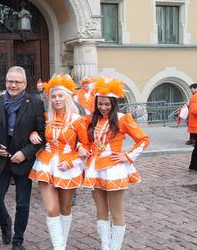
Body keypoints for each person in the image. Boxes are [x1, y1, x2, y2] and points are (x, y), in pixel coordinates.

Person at [74, 77, 150, 250]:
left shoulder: (123, 119)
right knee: (101, 210)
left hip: (114, 168)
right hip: (94, 168)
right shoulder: (90, 120)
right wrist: (80, 146)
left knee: (116, 212)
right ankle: (105, 246)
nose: (103, 107)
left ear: (114, 103)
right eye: (100, 104)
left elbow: (144, 140)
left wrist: (128, 156)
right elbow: (77, 136)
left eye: (107, 104)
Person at [0, 66, 46, 250]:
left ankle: (18, 240)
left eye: (17, 82)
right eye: (10, 81)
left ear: (24, 84)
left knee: (22, 204)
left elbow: (42, 134)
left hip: (23, 161)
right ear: (5, 82)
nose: (13, 85)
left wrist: (25, 152)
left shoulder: (35, 103)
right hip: (0, 160)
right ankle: (5, 224)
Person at [28, 74, 84, 250]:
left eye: (60, 96)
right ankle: (58, 247)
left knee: (65, 209)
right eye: (53, 96)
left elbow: (85, 149)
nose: (57, 99)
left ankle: (62, 243)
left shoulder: (78, 120)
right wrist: (32, 134)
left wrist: (72, 162)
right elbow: (35, 131)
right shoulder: (46, 117)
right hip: (46, 164)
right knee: (52, 209)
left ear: (67, 97)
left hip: (68, 167)